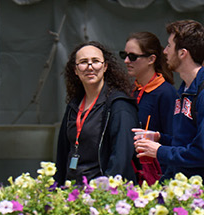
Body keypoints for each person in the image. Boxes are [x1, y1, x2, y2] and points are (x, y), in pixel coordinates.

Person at [139, 19, 204, 179]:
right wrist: (159, 138)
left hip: (201, 194)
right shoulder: (185, 91)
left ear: (183, 53)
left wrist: (159, 151)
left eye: (169, 46)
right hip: (179, 185)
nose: (165, 51)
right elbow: (185, 142)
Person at [53, 41, 139, 182]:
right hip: (73, 191)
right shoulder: (74, 105)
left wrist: (104, 192)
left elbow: (121, 158)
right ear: (75, 70)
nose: (90, 67)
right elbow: (62, 154)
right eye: (83, 62)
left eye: (95, 61)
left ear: (105, 67)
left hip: (103, 194)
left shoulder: (119, 105)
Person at [122, 30, 177, 184]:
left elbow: (175, 139)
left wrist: (156, 137)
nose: (126, 61)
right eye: (124, 55)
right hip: (132, 171)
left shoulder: (166, 93)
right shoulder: (131, 89)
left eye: (132, 56)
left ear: (151, 59)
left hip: (156, 175)